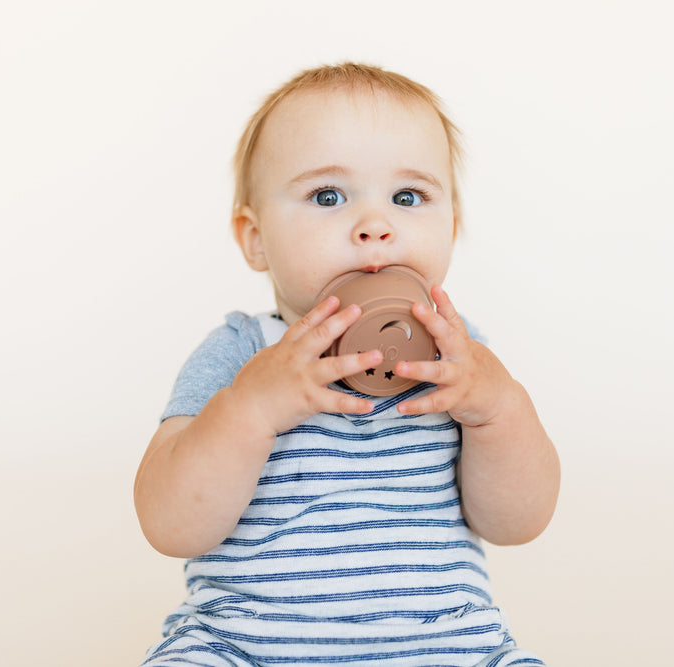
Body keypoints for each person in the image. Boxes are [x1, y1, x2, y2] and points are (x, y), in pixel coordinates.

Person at [134, 62, 560, 666]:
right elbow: (169, 524)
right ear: (255, 238)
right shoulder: (242, 352)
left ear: (453, 228)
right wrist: (250, 410)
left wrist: (499, 410)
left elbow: (518, 522)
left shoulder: (463, 358)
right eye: (327, 196)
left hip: (444, 643)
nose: (375, 227)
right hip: (246, 645)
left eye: (408, 197)